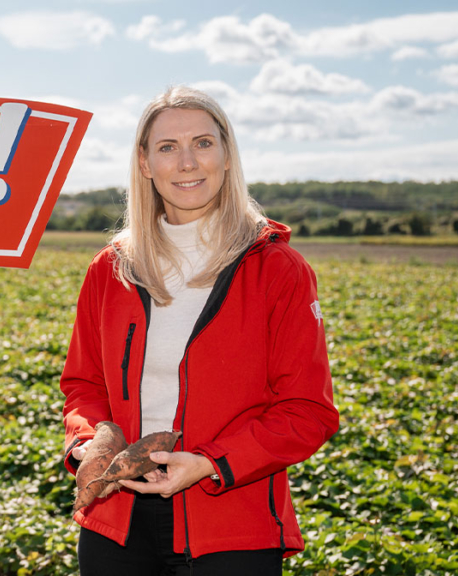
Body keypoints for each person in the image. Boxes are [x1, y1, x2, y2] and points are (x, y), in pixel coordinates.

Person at [60, 86, 339, 575]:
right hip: (115, 519)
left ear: (227, 156)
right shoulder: (111, 268)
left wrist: (209, 463)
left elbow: (307, 411)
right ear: (145, 163)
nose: (187, 162)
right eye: (168, 147)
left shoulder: (278, 269)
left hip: (230, 521)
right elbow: (84, 384)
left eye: (203, 143)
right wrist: (90, 439)